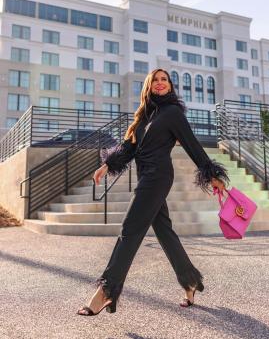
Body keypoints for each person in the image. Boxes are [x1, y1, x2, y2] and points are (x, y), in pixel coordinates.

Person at [77, 69, 229, 316]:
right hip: (145, 175)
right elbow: (129, 147)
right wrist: (107, 165)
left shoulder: (173, 113)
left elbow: (192, 144)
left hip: (158, 177)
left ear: (170, 86)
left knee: (129, 230)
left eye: (164, 80)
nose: (160, 83)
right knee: (165, 232)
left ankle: (107, 291)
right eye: (155, 80)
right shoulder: (144, 116)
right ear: (148, 86)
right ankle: (190, 281)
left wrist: (212, 175)